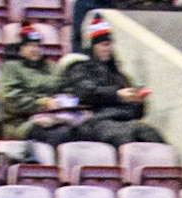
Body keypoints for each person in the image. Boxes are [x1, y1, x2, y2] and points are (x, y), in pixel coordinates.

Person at [61, 17, 164, 146]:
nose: (108, 49)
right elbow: (86, 93)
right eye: (104, 44)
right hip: (97, 120)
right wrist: (117, 94)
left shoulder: (119, 75)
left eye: (109, 44)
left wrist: (138, 101)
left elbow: (139, 113)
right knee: (124, 138)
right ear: (94, 46)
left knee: (153, 136)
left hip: (126, 120)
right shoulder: (80, 68)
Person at [0, 24, 84, 145]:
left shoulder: (52, 67)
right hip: (20, 123)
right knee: (61, 135)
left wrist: (65, 100)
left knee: (84, 131)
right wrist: (42, 103)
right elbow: (11, 99)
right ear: (21, 49)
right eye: (30, 46)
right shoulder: (11, 68)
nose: (35, 49)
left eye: (38, 46)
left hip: (56, 117)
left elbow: (68, 89)